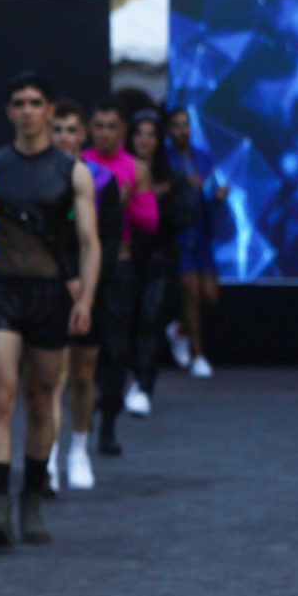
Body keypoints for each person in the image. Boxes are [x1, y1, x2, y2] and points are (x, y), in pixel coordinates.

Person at [0, 72, 98, 546]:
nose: (27, 110)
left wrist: (84, 298)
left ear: (49, 110)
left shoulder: (72, 171)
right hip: (1, 292)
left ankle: (30, 498)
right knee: (2, 396)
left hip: (49, 295)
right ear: (9, 111)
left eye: (35, 102)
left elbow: (90, 242)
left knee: (42, 398)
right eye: (19, 102)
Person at [45, 100, 121, 492]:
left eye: (71, 130)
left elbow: (106, 242)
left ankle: (79, 449)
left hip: (90, 289)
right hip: (51, 285)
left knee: (82, 373)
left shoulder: (102, 180)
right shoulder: (40, 176)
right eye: (57, 129)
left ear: (82, 135)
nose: (63, 137)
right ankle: (50, 459)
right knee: (50, 376)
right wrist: (64, 277)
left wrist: (86, 289)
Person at [80, 100, 157, 455]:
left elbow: (150, 223)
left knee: (115, 347)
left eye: (113, 126)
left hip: (120, 266)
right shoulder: (80, 164)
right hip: (83, 267)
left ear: (122, 131)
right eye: (100, 125)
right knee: (81, 351)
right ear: (90, 129)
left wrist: (125, 203)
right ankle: (81, 422)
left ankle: (108, 424)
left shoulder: (135, 168)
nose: (106, 133)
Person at [124, 110, 180, 416]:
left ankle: (143, 385)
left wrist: (156, 199)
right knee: (124, 322)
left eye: (151, 134)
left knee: (149, 321)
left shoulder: (171, 175)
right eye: (139, 133)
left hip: (158, 260)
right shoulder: (117, 170)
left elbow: (183, 220)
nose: (145, 140)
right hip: (123, 259)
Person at [164, 107, 225, 379]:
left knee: (210, 296)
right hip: (179, 233)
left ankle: (179, 330)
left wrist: (218, 196)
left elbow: (209, 190)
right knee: (191, 292)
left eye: (185, 125)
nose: (182, 130)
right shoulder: (164, 160)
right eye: (176, 125)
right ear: (168, 131)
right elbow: (161, 194)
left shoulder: (204, 158)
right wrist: (182, 185)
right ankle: (198, 356)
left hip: (202, 231)